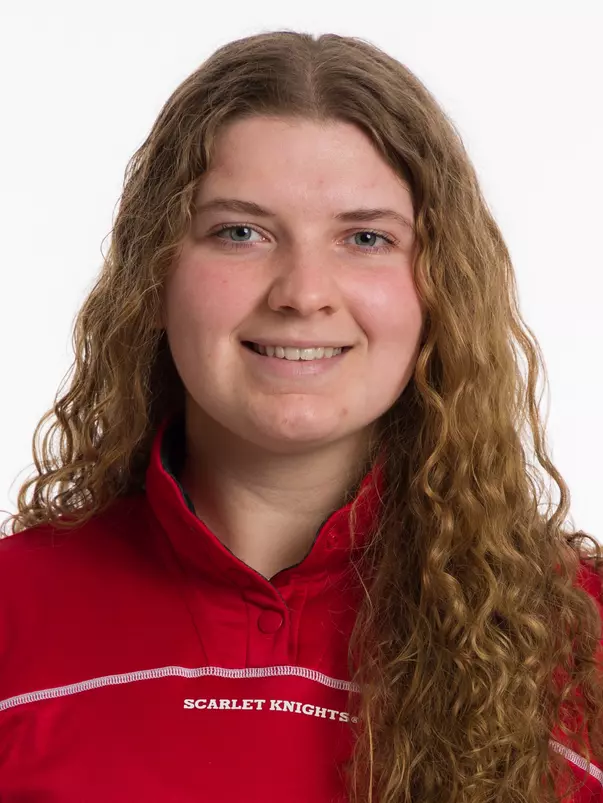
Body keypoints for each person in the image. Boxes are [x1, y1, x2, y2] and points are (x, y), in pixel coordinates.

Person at [0, 30, 602, 803]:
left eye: (364, 237)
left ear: (439, 290)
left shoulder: (578, 643)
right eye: (240, 231)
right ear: (153, 277)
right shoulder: (15, 610)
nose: (303, 290)